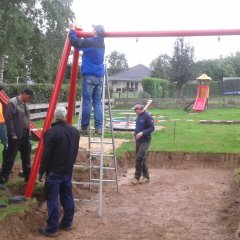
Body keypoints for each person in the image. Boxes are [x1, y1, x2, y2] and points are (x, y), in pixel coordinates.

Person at [38, 106, 80, 237]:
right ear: (66, 116)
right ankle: (67, 223)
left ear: (55, 116)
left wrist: (42, 171)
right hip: (67, 170)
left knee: (52, 199)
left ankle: (52, 229)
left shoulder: (51, 132)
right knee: (67, 196)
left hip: (54, 172)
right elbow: (75, 151)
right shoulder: (74, 132)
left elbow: (46, 154)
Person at [68, 23, 105, 136]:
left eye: (93, 30)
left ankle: (84, 127)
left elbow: (75, 42)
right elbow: (87, 50)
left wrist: (72, 30)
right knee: (98, 102)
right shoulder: (101, 43)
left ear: (95, 32)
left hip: (89, 76)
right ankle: (98, 127)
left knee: (87, 102)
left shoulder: (91, 42)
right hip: (99, 76)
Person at [0, 88, 34, 190]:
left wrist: (29, 131)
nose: (29, 99)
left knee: (26, 158)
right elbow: (9, 119)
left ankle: (28, 179)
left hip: (25, 135)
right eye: (29, 97)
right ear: (23, 94)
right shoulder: (13, 103)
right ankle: (3, 181)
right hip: (15, 136)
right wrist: (13, 134)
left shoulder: (25, 104)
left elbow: (27, 120)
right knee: (10, 159)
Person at [130, 103, 154, 185]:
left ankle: (136, 178)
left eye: (135, 109)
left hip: (145, 140)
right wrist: (134, 137)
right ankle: (146, 177)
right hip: (139, 141)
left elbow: (152, 128)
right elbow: (137, 128)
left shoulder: (147, 116)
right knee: (142, 158)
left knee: (139, 158)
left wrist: (142, 133)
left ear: (139, 109)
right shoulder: (138, 117)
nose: (134, 111)